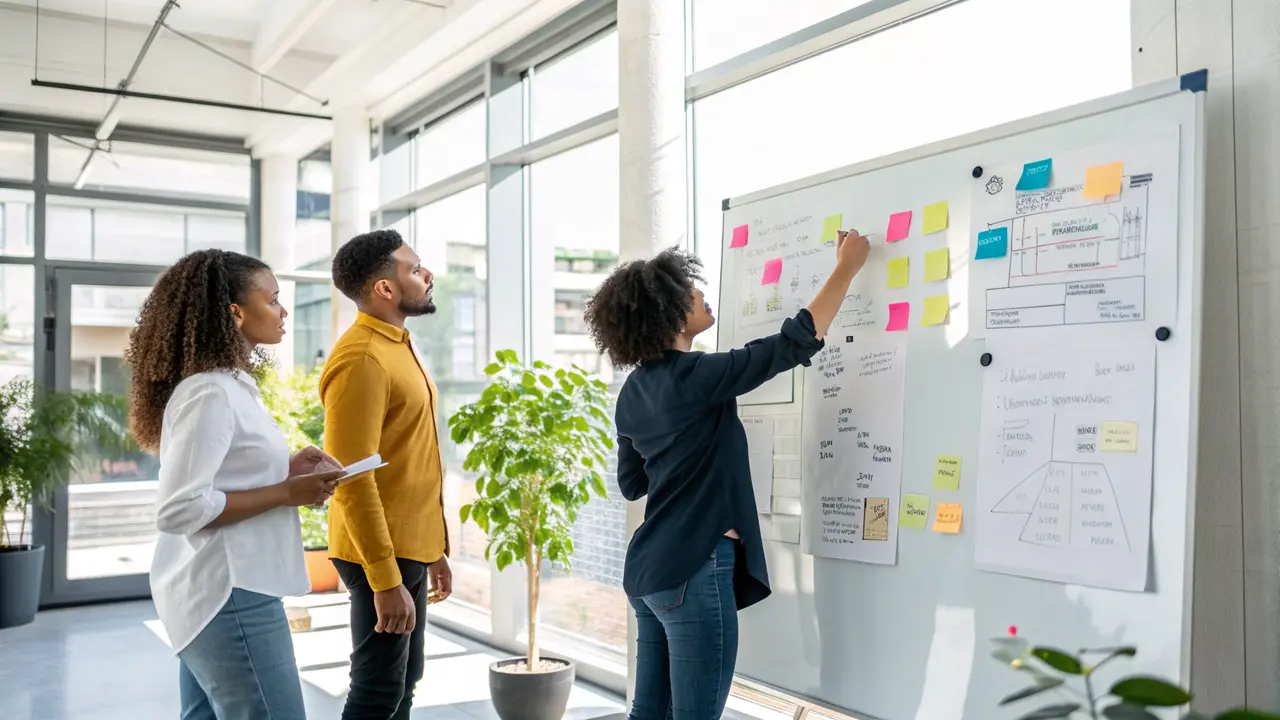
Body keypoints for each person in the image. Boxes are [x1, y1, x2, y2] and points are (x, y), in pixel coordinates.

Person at [583, 231, 871, 719]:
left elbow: (633, 484)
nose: (702, 295)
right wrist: (845, 269)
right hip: (694, 568)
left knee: (648, 713)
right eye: (691, 291)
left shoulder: (632, 392)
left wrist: (682, 452)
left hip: (649, 572)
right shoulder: (696, 376)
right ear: (671, 313)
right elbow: (790, 344)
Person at [128, 249, 344, 720]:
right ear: (235, 312)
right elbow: (179, 509)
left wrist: (287, 469)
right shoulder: (210, 391)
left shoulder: (230, 385)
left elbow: (223, 474)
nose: (284, 311)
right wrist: (287, 493)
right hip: (230, 595)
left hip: (223, 593)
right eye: (273, 299)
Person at [322, 229, 453, 720]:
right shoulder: (362, 358)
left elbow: (410, 456)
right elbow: (351, 477)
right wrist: (384, 580)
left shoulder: (397, 345)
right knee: (378, 691)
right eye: (415, 269)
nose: (427, 275)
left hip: (409, 546)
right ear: (385, 288)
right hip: (381, 552)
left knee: (403, 685)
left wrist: (434, 548)